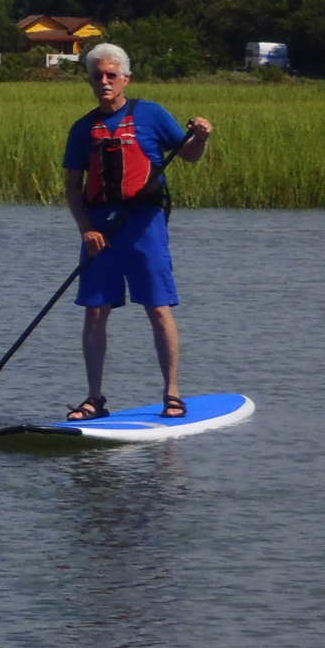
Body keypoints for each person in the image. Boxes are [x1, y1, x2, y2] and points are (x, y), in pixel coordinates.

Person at [61, 42, 212, 421]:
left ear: (126, 79)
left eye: (112, 75)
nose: (105, 82)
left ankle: (172, 395)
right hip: (100, 229)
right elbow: (72, 189)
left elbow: (190, 155)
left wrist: (202, 136)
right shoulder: (83, 129)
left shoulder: (151, 115)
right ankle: (94, 399)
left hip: (144, 226)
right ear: (91, 81)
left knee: (158, 308)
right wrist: (86, 230)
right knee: (95, 312)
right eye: (98, 76)